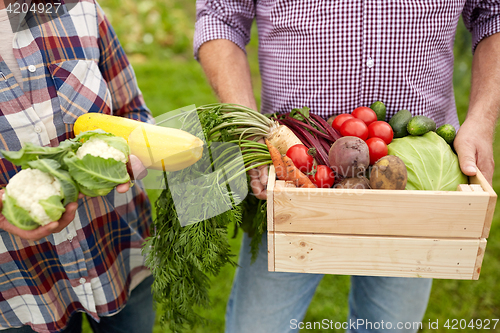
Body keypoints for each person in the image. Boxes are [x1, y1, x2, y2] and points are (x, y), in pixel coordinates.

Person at [194, 1, 500, 332]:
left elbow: (493, 13)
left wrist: (482, 120)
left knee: (389, 327)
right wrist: (251, 132)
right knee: (257, 326)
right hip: (293, 173)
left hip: (414, 186)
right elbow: (219, 18)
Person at [0, 0, 155, 332]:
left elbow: (134, 113)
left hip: (118, 252)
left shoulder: (80, 9)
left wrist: (137, 157)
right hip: (22, 285)